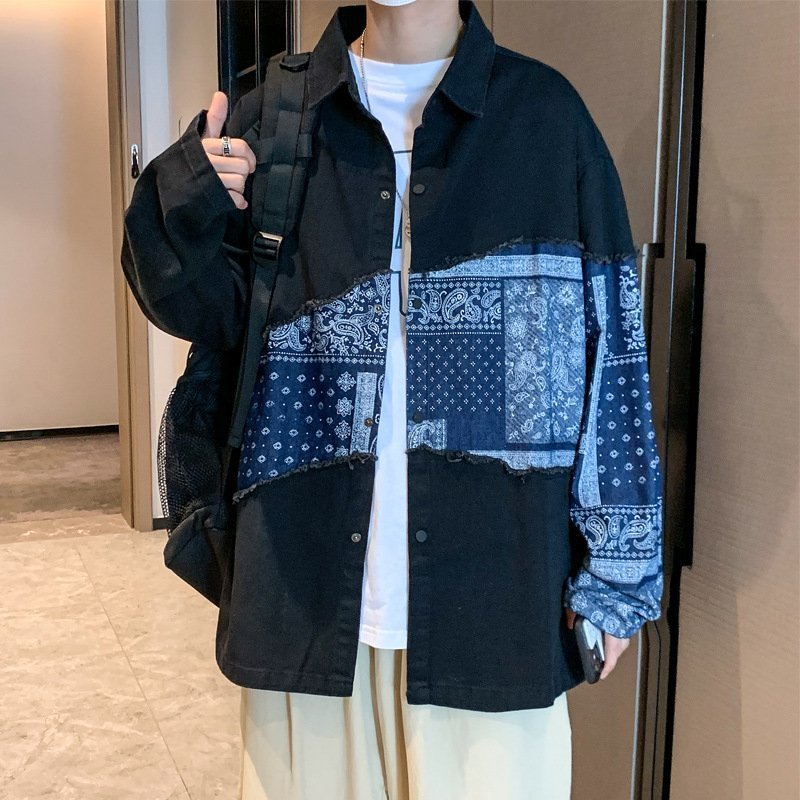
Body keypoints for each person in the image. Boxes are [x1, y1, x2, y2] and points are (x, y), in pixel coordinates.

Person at [120, 1, 665, 798]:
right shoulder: (270, 116)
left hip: (495, 598)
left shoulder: (545, 120)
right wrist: (183, 196)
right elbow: (195, 312)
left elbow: (612, 349)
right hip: (302, 591)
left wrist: (619, 569)